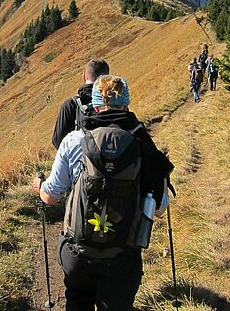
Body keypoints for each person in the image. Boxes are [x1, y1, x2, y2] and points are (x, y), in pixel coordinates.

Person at [34, 75, 174, 311]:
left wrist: (38, 187)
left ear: (95, 106)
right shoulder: (141, 144)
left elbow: (50, 197)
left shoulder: (74, 140)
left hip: (77, 254)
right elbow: (159, 209)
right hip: (123, 256)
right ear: (127, 105)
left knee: (78, 301)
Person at [52, 58, 110, 149]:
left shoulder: (71, 104)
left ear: (84, 76)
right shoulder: (114, 102)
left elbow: (58, 141)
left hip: (81, 160)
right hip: (113, 158)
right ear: (107, 79)